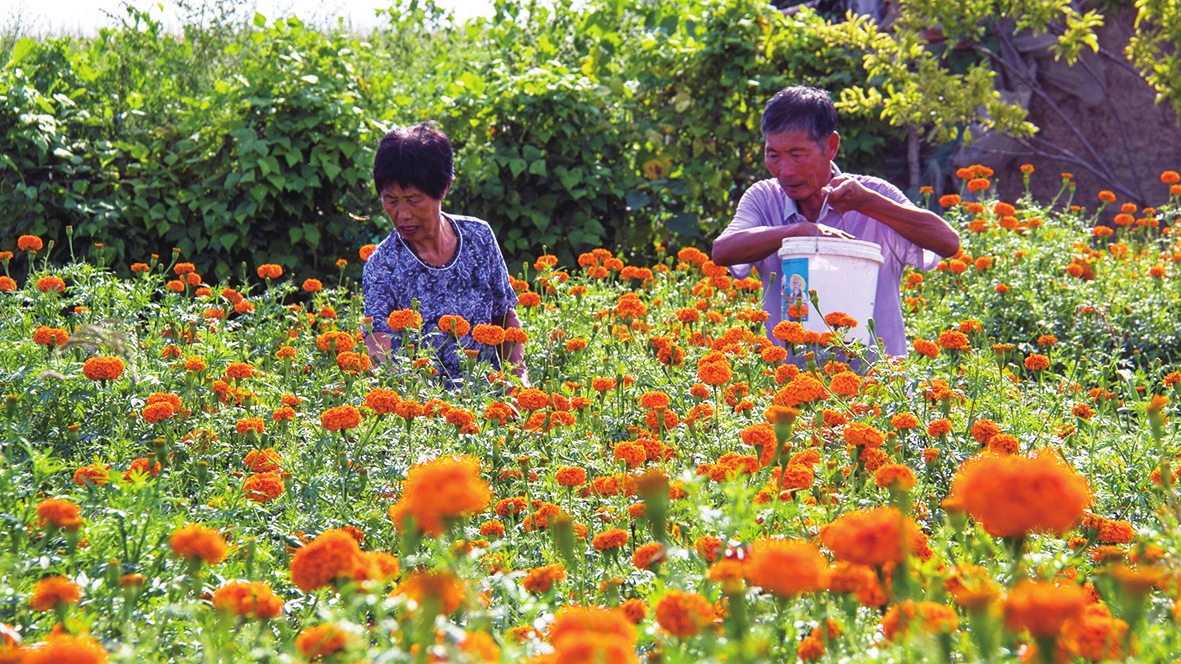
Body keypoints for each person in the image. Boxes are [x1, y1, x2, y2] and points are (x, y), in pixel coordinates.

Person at [711, 86, 960, 357]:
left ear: (830, 146)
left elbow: (948, 242)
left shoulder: (873, 194)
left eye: (797, 155)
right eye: (773, 155)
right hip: (789, 389)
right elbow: (723, 251)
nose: (785, 170)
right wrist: (800, 232)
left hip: (878, 389)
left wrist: (868, 203)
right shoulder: (763, 198)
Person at [362, 122, 528, 385]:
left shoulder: (479, 238)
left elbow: (505, 318)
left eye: (413, 199)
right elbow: (380, 352)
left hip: (489, 401)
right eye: (391, 200)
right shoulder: (383, 266)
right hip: (426, 409)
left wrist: (518, 384)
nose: (402, 214)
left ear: (443, 189)